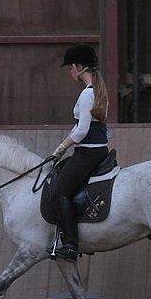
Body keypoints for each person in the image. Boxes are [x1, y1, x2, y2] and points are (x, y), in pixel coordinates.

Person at [48, 44, 109, 262]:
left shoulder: (86, 95)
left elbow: (82, 131)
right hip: (99, 151)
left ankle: (72, 245)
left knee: (59, 193)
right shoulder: (99, 90)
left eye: (70, 68)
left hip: (87, 153)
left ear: (77, 67)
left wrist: (61, 148)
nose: (69, 72)